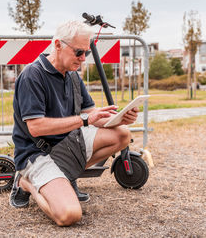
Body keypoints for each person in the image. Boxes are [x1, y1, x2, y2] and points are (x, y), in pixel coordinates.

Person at [10, 20, 138, 226]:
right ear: (58, 45)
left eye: (86, 53)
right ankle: (26, 183)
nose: (82, 59)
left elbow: (91, 113)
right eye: (79, 52)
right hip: (37, 152)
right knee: (69, 215)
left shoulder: (72, 75)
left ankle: (62, 177)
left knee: (122, 133)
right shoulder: (32, 76)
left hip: (67, 144)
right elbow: (36, 127)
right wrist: (84, 120)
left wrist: (120, 118)